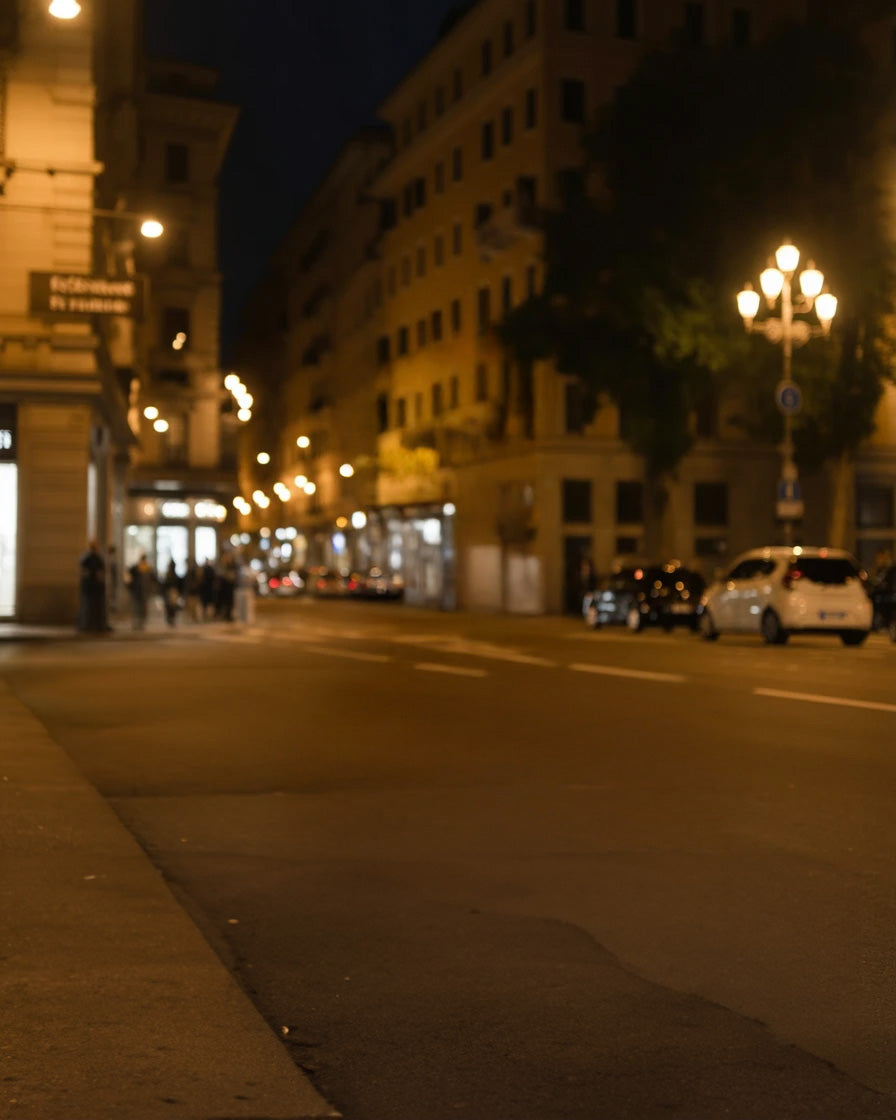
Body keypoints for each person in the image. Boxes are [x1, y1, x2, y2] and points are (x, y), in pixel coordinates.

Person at [76, 539, 107, 633]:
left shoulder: (95, 558)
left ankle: (93, 625)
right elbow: (87, 572)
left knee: (92, 607)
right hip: (90, 588)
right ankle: (88, 625)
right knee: (88, 607)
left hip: (94, 588)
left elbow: (100, 572)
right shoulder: (89, 558)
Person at [125, 552, 154, 630]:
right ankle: (137, 623)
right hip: (137, 591)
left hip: (142, 592)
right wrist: (129, 586)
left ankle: (139, 623)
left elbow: (151, 580)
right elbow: (128, 577)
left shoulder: (147, 568)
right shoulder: (136, 568)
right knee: (137, 607)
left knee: (140, 608)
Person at [160, 559, 183, 627]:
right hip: (171, 592)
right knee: (171, 607)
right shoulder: (170, 575)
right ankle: (170, 619)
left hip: (172, 592)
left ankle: (171, 619)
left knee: (172, 607)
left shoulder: (170, 575)